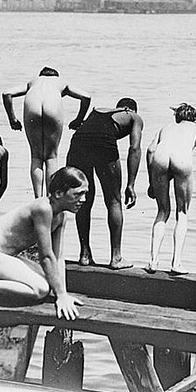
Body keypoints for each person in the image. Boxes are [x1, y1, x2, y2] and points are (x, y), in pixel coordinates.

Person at [0, 166, 87, 320]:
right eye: (78, 194)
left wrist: (62, 294)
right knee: (40, 289)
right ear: (58, 194)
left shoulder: (61, 216)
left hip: (1, 257)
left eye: (85, 194)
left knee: (50, 281)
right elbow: (46, 256)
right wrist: (61, 295)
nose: (83, 200)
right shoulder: (43, 208)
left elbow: (58, 257)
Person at [66, 97, 143, 269]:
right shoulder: (134, 116)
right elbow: (135, 148)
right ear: (130, 109)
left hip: (78, 141)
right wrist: (130, 184)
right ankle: (116, 258)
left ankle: (84, 255)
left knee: (84, 200)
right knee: (114, 201)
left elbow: (84, 128)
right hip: (104, 141)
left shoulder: (98, 110)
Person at [2, 67, 91, 198]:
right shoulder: (60, 82)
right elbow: (86, 96)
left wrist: (12, 119)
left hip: (32, 107)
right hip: (53, 108)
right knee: (51, 157)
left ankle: (38, 199)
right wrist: (79, 119)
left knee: (36, 157)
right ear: (56, 76)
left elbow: (6, 93)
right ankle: (51, 198)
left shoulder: (33, 82)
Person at [144, 103, 196, 274]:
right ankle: (177, 263)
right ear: (194, 117)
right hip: (182, 159)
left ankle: (153, 261)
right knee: (182, 212)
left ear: (177, 117)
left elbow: (151, 150)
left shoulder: (166, 127)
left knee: (162, 211)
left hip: (160, 157)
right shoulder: (195, 126)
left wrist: (152, 181)